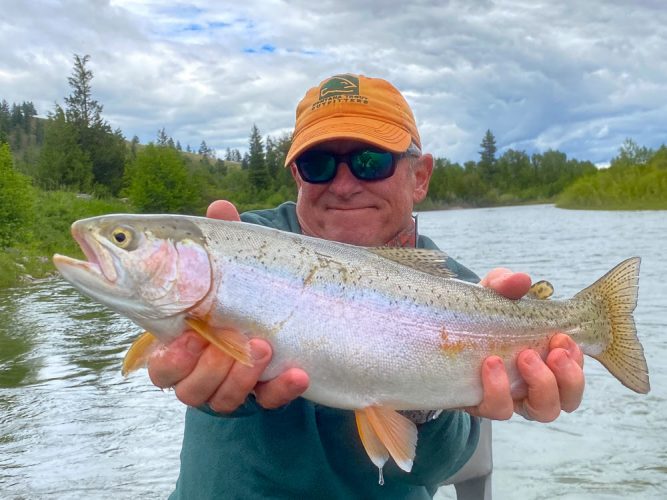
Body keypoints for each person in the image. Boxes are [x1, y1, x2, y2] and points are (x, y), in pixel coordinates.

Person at [149, 74, 585, 499]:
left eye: (370, 161)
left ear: (420, 176)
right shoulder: (241, 248)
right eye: (317, 164)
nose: (343, 184)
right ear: (298, 176)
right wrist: (197, 369)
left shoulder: (458, 292)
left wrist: (420, 402)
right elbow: (169, 333)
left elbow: (440, 463)